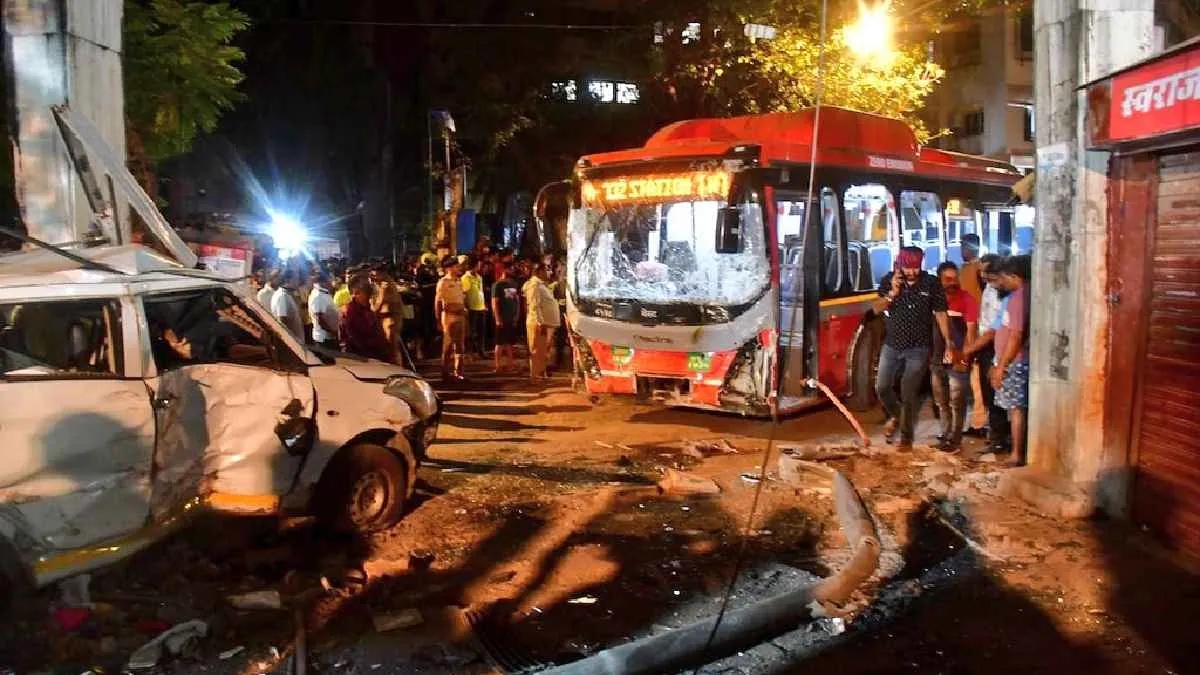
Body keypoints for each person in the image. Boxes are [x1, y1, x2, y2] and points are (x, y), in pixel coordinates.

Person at [871, 246, 954, 450]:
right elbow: (876, 309)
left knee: (908, 392)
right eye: (908, 268)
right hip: (892, 345)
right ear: (900, 265)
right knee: (882, 387)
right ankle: (898, 416)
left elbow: (941, 313)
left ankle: (906, 439)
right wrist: (892, 293)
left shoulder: (931, 283)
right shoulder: (889, 280)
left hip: (918, 347)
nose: (912, 272)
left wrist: (948, 342)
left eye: (916, 267)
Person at [963, 254, 1013, 454]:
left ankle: (1000, 440)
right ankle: (996, 437)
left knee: (995, 395)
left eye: (986, 272)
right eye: (981, 272)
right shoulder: (988, 289)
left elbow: (994, 329)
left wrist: (970, 348)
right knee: (987, 394)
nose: (982, 275)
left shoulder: (1003, 294)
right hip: (985, 344)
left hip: (994, 345)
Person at [929, 261, 979, 453]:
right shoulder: (932, 301)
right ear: (939, 280)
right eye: (947, 279)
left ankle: (955, 439)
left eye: (955, 278)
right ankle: (945, 435)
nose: (952, 282)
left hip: (958, 358)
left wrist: (964, 357)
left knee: (957, 402)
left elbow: (971, 332)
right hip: (936, 359)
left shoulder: (967, 300)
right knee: (941, 401)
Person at [989, 255, 1031, 466]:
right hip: (1014, 359)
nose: (1002, 282)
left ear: (1014, 276)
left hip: (1015, 361)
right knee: (1015, 408)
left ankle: (1016, 454)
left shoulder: (1019, 298)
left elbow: (1015, 335)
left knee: (1016, 409)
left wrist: (1002, 366)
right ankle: (1016, 451)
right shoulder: (1026, 294)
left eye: (1004, 277)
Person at [339, 274, 391, 361]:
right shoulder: (349, 311)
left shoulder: (368, 309)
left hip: (376, 356)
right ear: (356, 293)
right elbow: (357, 340)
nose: (370, 296)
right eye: (367, 292)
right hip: (360, 359)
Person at [524, 261, 561, 381]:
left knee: (543, 350)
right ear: (540, 272)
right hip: (539, 323)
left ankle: (541, 372)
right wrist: (540, 323)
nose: (550, 272)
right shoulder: (534, 285)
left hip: (546, 323)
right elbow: (534, 306)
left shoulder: (542, 285)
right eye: (547, 270)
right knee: (537, 349)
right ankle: (535, 375)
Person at [435, 257, 468, 381]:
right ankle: (445, 372)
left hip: (460, 316)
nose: (459, 268)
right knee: (448, 345)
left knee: (460, 345)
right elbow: (438, 302)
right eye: (456, 266)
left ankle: (459, 373)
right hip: (449, 316)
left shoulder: (459, 281)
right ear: (449, 268)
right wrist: (438, 320)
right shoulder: (443, 282)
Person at [371, 265, 407, 365]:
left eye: (375, 275)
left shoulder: (385, 284)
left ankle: (397, 367)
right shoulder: (383, 283)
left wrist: (372, 311)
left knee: (392, 346)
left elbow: (380, 301)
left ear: (382, 274)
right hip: (389, 317)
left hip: (391, 317)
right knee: (392, 346)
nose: (374, 278)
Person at [491, 262, 522, 373]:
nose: (512, 271)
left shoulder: (513, 284)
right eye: (510, 269)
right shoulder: (497, 285)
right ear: (504, 270)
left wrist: (516, 315)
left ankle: (511, 364)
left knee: (509, 343)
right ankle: (497, 366)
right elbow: (495, 303)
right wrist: (497, 318)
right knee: (499, 343)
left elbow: (515, 301)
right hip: (502, 318)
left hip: (510, 318)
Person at [461, 255, 488, 359]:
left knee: (482, 332)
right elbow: (464, 294)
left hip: (481, 307)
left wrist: (484, 304)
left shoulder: (479, 277)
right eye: (478, 265)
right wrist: (465, 307)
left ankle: (481, 352)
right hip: (471, 308)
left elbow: (480, 291)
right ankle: (470, 353)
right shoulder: (465, 278)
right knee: (470, 333)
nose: (479, 267)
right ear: (473, 265)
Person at [270, 270, 305, 342]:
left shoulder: (286, 294)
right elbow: (282, 321)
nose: (298, 282)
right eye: (296, 279)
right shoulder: (282, 296)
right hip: (293, 343)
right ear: (287, 280)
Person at [308, 272, 340, 349]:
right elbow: (319, 319)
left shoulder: (324, 293)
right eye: (331, 279)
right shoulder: (317, 296)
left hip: (329, 337)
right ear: (324, 281)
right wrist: (334, 332)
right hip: (324, 339)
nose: (332, 281)